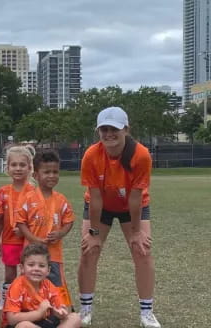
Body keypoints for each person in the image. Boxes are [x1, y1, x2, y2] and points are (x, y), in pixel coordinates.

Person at [78, 107, 161, 328]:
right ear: (98, 132)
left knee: (143, 251)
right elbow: (95, 198)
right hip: (100, 206)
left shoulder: (140, 155)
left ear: (126, 129)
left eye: (114, 128)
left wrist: (135, 232)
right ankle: (85, 309)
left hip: (132, 206)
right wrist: (94, 234)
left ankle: (147, 313)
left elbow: (135, 197)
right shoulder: (91, 155)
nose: (109, 134)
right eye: (104, 129)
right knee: (89, 250)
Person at [16, 150, 75, 307]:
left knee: (56, 284)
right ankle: (30, 311)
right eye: (46, 172)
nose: (51, 176)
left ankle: (62, 311)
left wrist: (60, 233)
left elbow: (69, 221)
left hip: (53, 255)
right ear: (36, 175)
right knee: (30, 284)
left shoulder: (61, 199)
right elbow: (21, 222)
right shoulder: (28, 198)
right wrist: (34, 239)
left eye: (55, 172)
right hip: (31, 254)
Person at [2, 243, 80, 328]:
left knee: (75, 317)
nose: (36, 269)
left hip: (46, 322)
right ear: (22, 268)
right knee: (23, 325)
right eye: (31, 265)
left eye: (41, 266)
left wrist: (60, 313)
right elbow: (11, 319)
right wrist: (38, 313)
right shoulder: (17, 286)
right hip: (20, 324)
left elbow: (61, 309)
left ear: (48, 270)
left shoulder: (49, 285)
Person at [0, 146, 35, 303]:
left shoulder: (33, 192)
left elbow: (36, 219)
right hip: (8, 240)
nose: (18, 168)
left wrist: (26, 231)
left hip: (28, 241)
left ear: (30, 167)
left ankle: (26, 302)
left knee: (28, 273)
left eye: (22, 165)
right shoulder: (3, 192)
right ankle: (8, 305)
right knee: (9, 275)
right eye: (14, 165)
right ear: (8, 167)